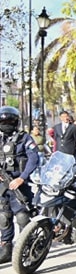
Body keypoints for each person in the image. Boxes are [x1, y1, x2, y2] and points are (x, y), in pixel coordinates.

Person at [0, 106, 40, 264]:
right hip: (3, 186)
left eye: (10, 121)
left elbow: (34, 159)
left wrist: (22, 178)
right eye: (3, 121)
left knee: (23, 217)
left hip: (19, 185)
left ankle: (25, 247)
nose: (6, 124)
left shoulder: (24, 138)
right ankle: (6, 247)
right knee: (4, 217)